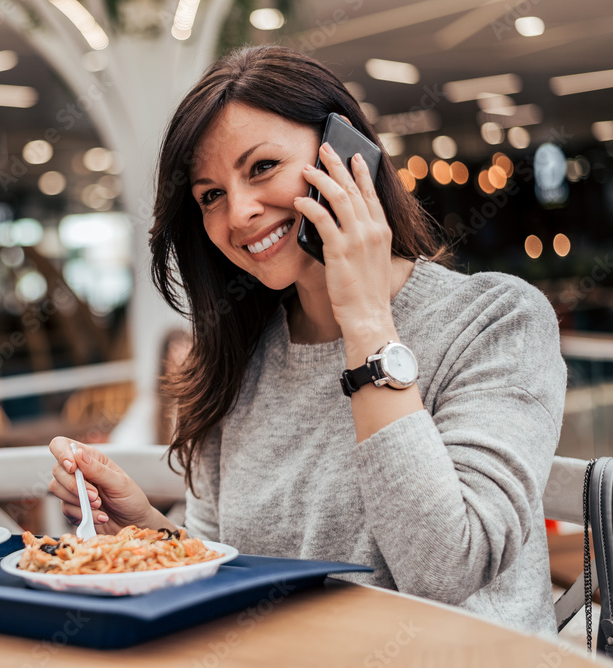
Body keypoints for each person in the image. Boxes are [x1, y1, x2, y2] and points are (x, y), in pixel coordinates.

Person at [48, 45, 565, 636]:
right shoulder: (240, 353)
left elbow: (446, 568)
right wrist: (148, 535)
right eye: (210, 195)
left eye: (262, 166)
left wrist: (367, 321)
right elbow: (232, 571)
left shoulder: (498, 320)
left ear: (347, 156)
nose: (239, 213)